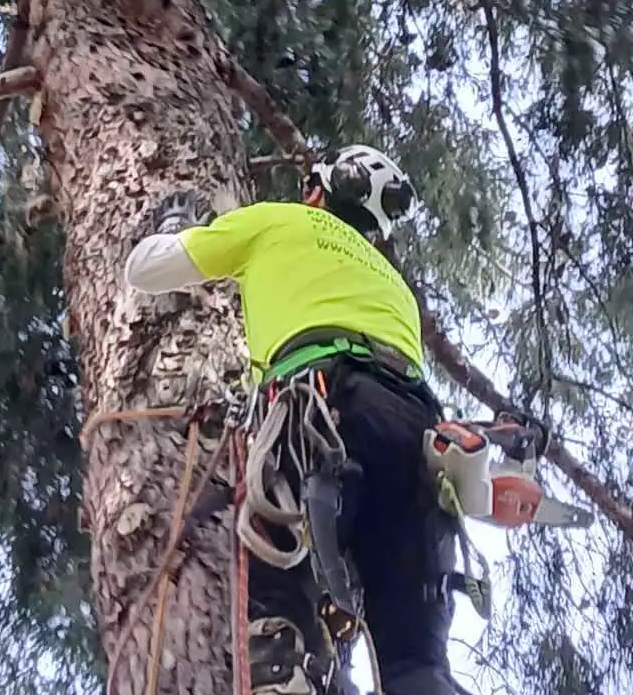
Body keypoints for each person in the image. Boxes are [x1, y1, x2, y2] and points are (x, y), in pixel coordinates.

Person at [124, 145, 460, 695]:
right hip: (415, 426)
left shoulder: (276, 221)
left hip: (320, 405)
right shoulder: (393, 284)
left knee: (285, 613)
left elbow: (145, 269)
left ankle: (285, 669)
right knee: (416, 664)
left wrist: (177, 224)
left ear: (315, 192)